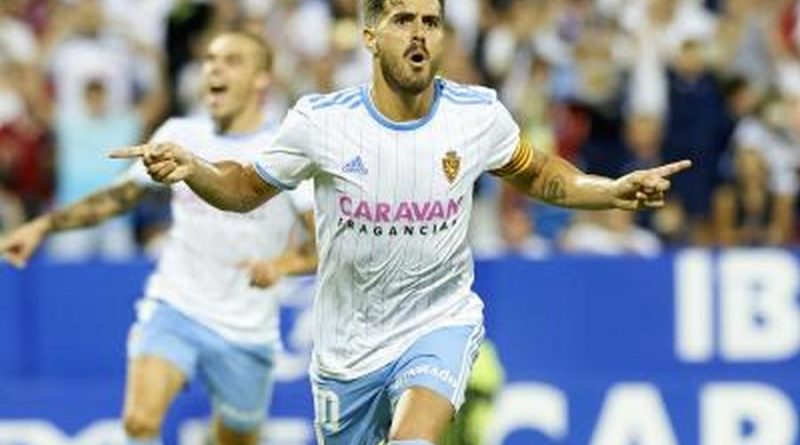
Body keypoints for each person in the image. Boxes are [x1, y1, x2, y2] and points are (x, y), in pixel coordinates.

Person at [108, 1, 692, 443]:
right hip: (346, 350)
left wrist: (610, 190)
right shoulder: (320, 123)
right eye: (403, 19)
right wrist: (193, 167)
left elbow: (540, 176)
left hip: (438, 321)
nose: (419, 33)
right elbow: (241, 190)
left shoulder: (477, 115)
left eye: (431, 22)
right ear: (370, 35)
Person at [0, 31, 316, 445]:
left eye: (232, 61)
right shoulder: (180, 133)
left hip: (246, 326)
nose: (215, 68)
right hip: (176, 304)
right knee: (139, 423)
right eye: (211, 60)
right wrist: (43, 226)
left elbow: (323, 243)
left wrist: (281, 266)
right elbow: (119, 197)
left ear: (263, 80)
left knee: (235, 439)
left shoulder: (283, 151)